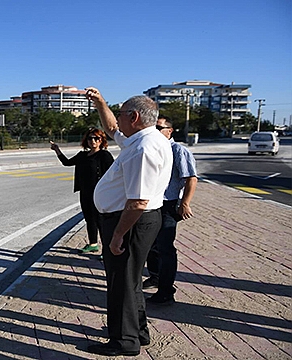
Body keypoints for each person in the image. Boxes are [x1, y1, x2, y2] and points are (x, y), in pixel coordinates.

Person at [85, 87, 173, 357]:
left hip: (131, 222)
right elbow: (112, 128)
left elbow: (137, 202)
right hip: (134, 220)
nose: (118, 120)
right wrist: (100, 102)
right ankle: (138, 332)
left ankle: (124, 341)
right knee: (131, 280)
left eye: (122, 113)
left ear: (134, 117)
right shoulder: (143, 139)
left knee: (121, 283)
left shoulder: (143, 150)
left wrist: (117, 236)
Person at [143, 116, 198, 305]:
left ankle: (166, 291)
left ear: (170, 130)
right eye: (153, 128)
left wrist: (185, 203)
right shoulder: (153, 149)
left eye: (160, 128)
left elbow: (191, 178)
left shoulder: (178, 150)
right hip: (151, 203)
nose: (156, 131)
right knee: (150, 245)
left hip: (168, 204)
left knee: (165, 248)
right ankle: (156, 276)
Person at [50, 128, 114, 254]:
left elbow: (112, 174)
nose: (93, 141)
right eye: (90, 138)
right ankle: (93, 244)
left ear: (102, 140)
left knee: (101, 220)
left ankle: (106, 250)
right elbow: (67, 163)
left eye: (96, 138)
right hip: (85, 192)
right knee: (89, 219)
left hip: (100, 193)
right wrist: (57, 150)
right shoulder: (82, 155)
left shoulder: (104, 155)